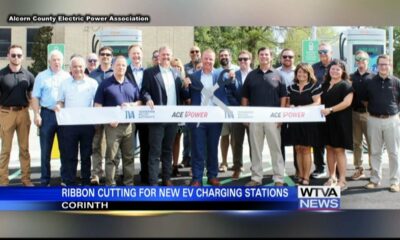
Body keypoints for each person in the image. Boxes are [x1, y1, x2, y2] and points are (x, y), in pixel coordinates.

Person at [241, 47, 287, 186]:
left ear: (271, 57)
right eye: (261, 55)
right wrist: (245, 115)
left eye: (266, 55)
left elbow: (283, 97)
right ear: (258, 57)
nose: (264, 57)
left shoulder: (278, 74)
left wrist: (281, 116)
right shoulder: (251, 75)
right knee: (256, 149)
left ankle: (278, 178)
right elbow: (245, 97)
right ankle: (256, 178)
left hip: (273, 118)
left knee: (276, 149)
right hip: (255, 118)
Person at [182, 48, 228, 187]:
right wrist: (185, 86)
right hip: (198, 119)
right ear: (202, 59)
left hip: (215, 118)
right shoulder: (193, 76)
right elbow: (185, 96)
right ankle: (196, 178)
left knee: (212, 148)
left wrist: (231, 78)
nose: (208, 61)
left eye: (211, 59)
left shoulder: (220, 75)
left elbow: (231, 89)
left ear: (214, 61)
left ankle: (212, 176)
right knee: (197, 149)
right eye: (206, 58)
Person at [94, 55, 142, 186]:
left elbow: (139, 102)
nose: (121, 67)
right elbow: (97, 106)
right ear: (113, 67)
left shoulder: (131, 84)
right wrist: (109, 119)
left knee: (129, 157)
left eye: (123, 65)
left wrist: (131, 105)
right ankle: (110, 184)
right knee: (112, 157)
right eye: (118, 65)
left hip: (129, 127)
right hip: (112, 127)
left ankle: (129, 184)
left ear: (126, 68)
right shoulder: (105, 84)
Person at [141, 46, 185, 186]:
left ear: (171, 56)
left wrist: (186, 86)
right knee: (155, 151)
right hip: (157, 119)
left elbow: (182, 95)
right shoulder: (149, 72)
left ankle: (167, 178)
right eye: (163, 55)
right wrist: (147, 99)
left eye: (168, 55)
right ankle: (153, 182)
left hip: (172, 119)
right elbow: (144, 91)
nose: (166, 57)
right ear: (158, 57)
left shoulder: (177, 73)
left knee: (167, 150)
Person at [55, 56, 98, 186]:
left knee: (86, 155)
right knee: (70, 155)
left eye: (80, 66)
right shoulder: (64, 83)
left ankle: (85, 180)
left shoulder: (92, 83)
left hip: (87, 125)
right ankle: (70, 181)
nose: (77, 69)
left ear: (84, 67)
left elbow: (97, 104)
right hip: (69, 125)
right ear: (70, 68)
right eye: (74, 67)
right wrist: (58, 106)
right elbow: (60, 101)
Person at [31, 49, 70, 186]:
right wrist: (36, 114)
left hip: (63, 116)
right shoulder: (41, 76)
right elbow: (35, 96)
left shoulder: (68, 77)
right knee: (45, 150)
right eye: (54, 59)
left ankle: (64, 179)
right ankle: (45, 180)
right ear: (49, 61)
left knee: (64, 149)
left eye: (59, 59)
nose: (56, 62)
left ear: (62, 61)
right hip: (46, 115)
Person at [362, 55, 400, 192]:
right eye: (381, 64)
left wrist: (395, 113)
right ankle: (374, 180)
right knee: (375, 152)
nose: (383, 67)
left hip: (392, 120)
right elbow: (365, 100)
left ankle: (395, 182)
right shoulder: (370, 82)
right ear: (377, 66)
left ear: (390, 66)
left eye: (386, 64)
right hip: (373, 120)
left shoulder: (396, 82)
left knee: (393, 152)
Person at [0, 44, 35, 187]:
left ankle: (26, 180)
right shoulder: (1, 75)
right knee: (5, 150)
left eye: (19, 55)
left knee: (24, 149)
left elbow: (32, 96)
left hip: (23, 113)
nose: (16, 58)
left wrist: (37, 114)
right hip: (6, 113)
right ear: (8, 56)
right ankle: (3, 181)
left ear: (22, 57)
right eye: (13, 55)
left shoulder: (29, 75)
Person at [286, 63, 322, 186]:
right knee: (298, 149)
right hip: (295, 123)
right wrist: (289, 106)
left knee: (306, 149)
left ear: (309, 74)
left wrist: (302, 108)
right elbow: (288, 103)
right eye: (299, 72)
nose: (301, 74)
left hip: (309, 123)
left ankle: (306, 177)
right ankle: (300, 175)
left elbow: (317, 103)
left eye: (304, 72)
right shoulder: (291, 87)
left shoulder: (314, 86)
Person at [320, 59, 353, 191]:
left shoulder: (346, 85)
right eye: (332, 69)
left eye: (338, 69)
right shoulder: (324, 85)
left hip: (341, 122)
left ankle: (342, 180)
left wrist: (331, 110)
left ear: (342, 71)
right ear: (329, 70)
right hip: (326, 122)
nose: (334, 71)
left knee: (339, 150)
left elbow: (347, 103)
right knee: (329, 148)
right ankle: (331, 177)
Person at [89, 46, 115, 185]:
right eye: (103, 54)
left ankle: (112, 174)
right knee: (96, 145)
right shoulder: (93, 74)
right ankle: (96, 173)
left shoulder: (116, 72)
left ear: (112, 57)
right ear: (99, 57)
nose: (105, 57)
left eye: (108, 54)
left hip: (112, 116)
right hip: (97, 115)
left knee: (112, 146)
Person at [225, 50, 252, 179]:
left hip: (253, 114)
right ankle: (237, 167)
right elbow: (228, 93)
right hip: (237, 113)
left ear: (250, 60)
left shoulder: (255, 74)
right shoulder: (233, 75)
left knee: (254, 142)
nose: (242, 61)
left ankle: (255, 167)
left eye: (245, 59)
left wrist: (248, 108)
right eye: (240, 59)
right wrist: (240, 107)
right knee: (236, 142)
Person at [125, 44, 149, 185]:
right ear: (129, 56)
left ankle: (145, 175)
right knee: (128, 148)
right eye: (133, 54)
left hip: (145, 114)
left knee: (146, 146)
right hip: (130, 114)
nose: (136, 56)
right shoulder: (124, 71)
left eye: (138, 54)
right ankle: (128, 177)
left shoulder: (148, 72)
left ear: (142, 55)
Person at [350, 50, 374, 180]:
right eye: (358, 60)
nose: (361, 62)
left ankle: (374, 170)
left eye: (363, 60)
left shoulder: (373, 77)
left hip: (368, 114)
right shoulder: (351, 77)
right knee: (356, 143)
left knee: (372, 143)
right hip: (354, 113)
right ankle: (358, 168)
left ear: (367, 61)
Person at [311, 42, 334, 179]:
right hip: (318, 108)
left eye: (325, 51)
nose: (322, 54)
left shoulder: (338, 65)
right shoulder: (314, 67)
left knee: (334, 141)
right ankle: (320, 167)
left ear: (331, 52)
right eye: (320, 52)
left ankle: (335, 170)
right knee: (318, 140)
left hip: (335, 108)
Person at [217, 48, 239, 173]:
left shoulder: (237, 69)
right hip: (221, 108)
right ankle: (224, 162)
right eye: (221, 55)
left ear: (230, 56)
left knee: (235, 139)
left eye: (226, 55)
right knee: (224, 136)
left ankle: (236, 163)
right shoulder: (216, 72)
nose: (224, 57)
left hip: (235, 108)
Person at [277, 48, 298, 175]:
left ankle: (298, 168)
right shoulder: (275, 72)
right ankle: (281, 169)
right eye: (285, 56)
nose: (287, 59)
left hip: (296, 110)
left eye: (290, 57)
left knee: (297, 141)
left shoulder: (299, 71)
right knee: (280, 141)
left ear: (294, 58)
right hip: (280, 109)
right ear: (281, 58)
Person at [170, 57, 186, 177]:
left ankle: (175, 166)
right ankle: (167, 166)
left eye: (178, 67)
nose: (176, 69)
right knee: (167, 142)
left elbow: (186, 97)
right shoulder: (167, 79)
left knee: (176, 141)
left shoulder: (182, 80)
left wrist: (185, 86)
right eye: (173, 66)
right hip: (167, 115)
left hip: (179, 115)